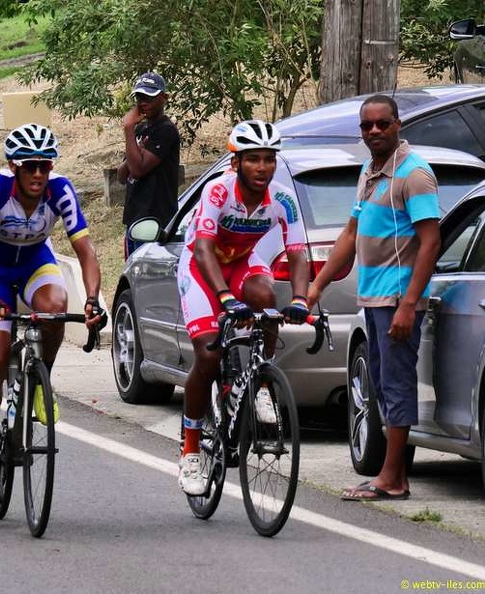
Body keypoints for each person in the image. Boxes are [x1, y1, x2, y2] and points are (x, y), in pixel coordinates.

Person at [307, 95, 441, 501]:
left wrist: (407, 304)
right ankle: (394, 476)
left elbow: (431, 242)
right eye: (367, 126)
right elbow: (350, 233)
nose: (375, 132)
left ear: (398, 124)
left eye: (383, 124)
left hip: (399, 301)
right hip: (375, 299)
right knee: (382, 385)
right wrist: (317, 285)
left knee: (396, 385)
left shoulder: (414, 174)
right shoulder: (370, 170)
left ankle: (392, 478)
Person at [0, 123, 105, 497]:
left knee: (55, 307)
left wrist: (92, 298)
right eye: (30, 166)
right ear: (14, 166)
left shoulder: (60, 189)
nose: (38, 174)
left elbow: (87, 251)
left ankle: (42, 381)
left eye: (45, 166)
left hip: (33, 262)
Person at [176, 119, 311, 495]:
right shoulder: (218, 191)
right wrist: (223, 298)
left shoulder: (283, 198)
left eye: (269, 159)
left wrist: (300, 299)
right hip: (201, 268)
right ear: (235, 163)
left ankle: (261, 381)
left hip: (241, 263)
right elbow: (203, 248)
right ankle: (189, 450)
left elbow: (299, 252)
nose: (263, 167)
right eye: (253, 159)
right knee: (206, 353)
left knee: (267, 298)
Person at [117, 71, 180, 258]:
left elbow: (136, 170)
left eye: (150, 97)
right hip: (135, 218)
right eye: (140, 97)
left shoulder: (165, 130)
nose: (143, 102)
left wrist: (128, 129)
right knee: (132, 275)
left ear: (164, 98)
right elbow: (122, 175)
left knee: (147, 277)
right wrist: (136, 149)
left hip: (155, 220)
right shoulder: (142, 128)